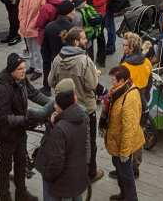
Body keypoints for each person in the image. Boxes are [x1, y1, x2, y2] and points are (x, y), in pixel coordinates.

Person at [48, 27, 103, 182]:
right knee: (88, 143)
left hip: (64, 110)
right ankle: (91, 173)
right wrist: (95, 74)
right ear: (76, 42)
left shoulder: (58, 59)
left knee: (68, 144)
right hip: (85, 109)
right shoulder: (84, 60)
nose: (86, 41)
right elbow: (92, 85)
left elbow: (50, 82)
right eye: (84, 38)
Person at [0, 53, 45, 201]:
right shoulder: (4, 88)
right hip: (6, 134)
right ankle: (5, 196)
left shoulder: (21, 80)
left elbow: (33, 94)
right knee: (6, 166)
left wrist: (52, 105)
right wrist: (25, 119)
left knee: (21, 163)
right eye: (20, 69)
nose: (23, 71)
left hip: (19, 130)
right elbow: (3, 117)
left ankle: (21, 193)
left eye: (24, 68)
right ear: (12, 70)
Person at [37, 79, 93, 201]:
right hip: (77, 169)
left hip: (62, 174)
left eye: (56, 103)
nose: (54, 105)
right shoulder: (81, 115)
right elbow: (84, 142)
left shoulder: (61, 127)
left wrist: (47, 174)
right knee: (76, 194)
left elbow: (57, 158)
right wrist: (86, 164)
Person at [104, 64, 144, 201]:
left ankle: (131, 198)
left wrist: (125, 152)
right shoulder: (118, 90)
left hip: (124, 145)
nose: (111, 83)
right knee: (120, 172)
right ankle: (123, 195)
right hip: (116, 141)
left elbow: (129, 128)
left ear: (122, 81)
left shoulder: (130, 97)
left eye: (113, 80)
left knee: (126, 175)